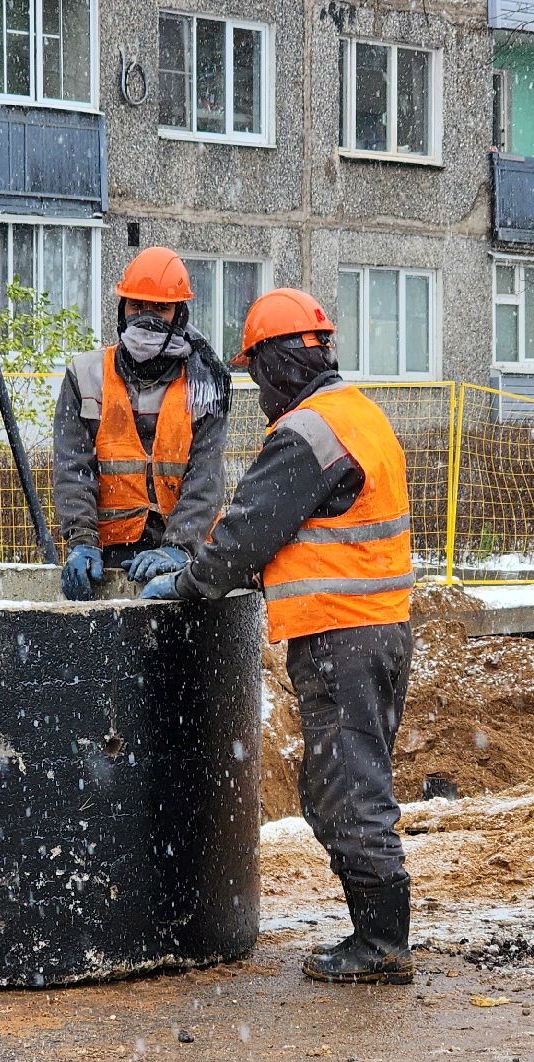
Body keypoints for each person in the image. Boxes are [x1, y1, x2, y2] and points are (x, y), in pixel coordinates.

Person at [139, 288, 416, 984]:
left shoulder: (309, 432)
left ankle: (382, 947)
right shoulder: (356, 415)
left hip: (342, 636)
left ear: (279, 363)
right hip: (373, 629)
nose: (257, 391)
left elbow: (247, 530)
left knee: (347, 790)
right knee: (341, 786)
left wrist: (188, 580)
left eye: (257, 373)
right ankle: (378, 936)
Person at [52, 247, 230, 601]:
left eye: (160, 308)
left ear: (179, 314)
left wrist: (179, 546)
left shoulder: (206, 385)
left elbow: (205, 478)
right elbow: (72, 468)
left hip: (183, 556)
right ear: (123, 309)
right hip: (108, 555)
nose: (146, 318)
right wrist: (81, 540)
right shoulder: (85, 376)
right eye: (136, 306)